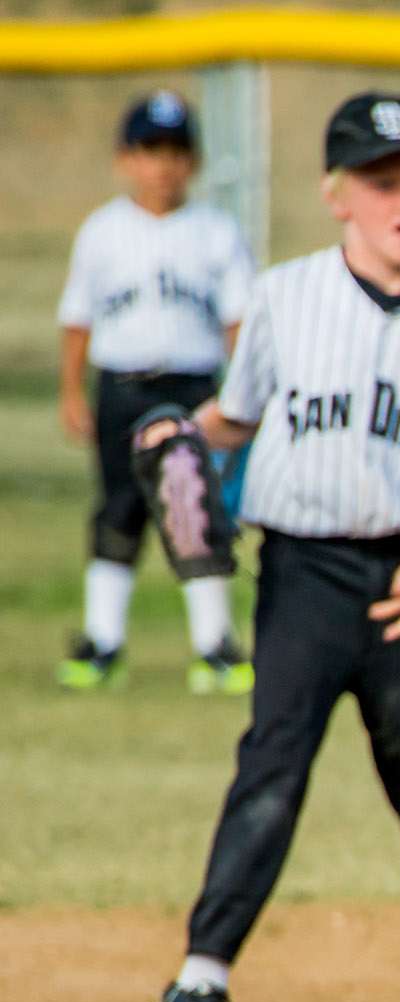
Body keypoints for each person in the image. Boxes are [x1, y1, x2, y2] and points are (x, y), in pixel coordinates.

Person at [145, 91, 400, 1002]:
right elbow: (236, 416)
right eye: (384, 182)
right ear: (336, 194)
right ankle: (199, 984)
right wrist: (179, 432)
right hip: (301, 567)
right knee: (272, 770)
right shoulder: (284, 296)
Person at [55, 88, 255, 694]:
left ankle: (214, 646)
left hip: (192, 385)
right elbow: (78, 318)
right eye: (149, 150)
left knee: (194, 509)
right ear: (125, 159)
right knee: (118, 511)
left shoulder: (216, 230)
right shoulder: (103, 231)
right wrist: (72, 390)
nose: (162, 165)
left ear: (193, 161)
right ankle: (101, 641)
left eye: (175, 151)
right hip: (122, 384)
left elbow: (240, 320)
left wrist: (243, 392)